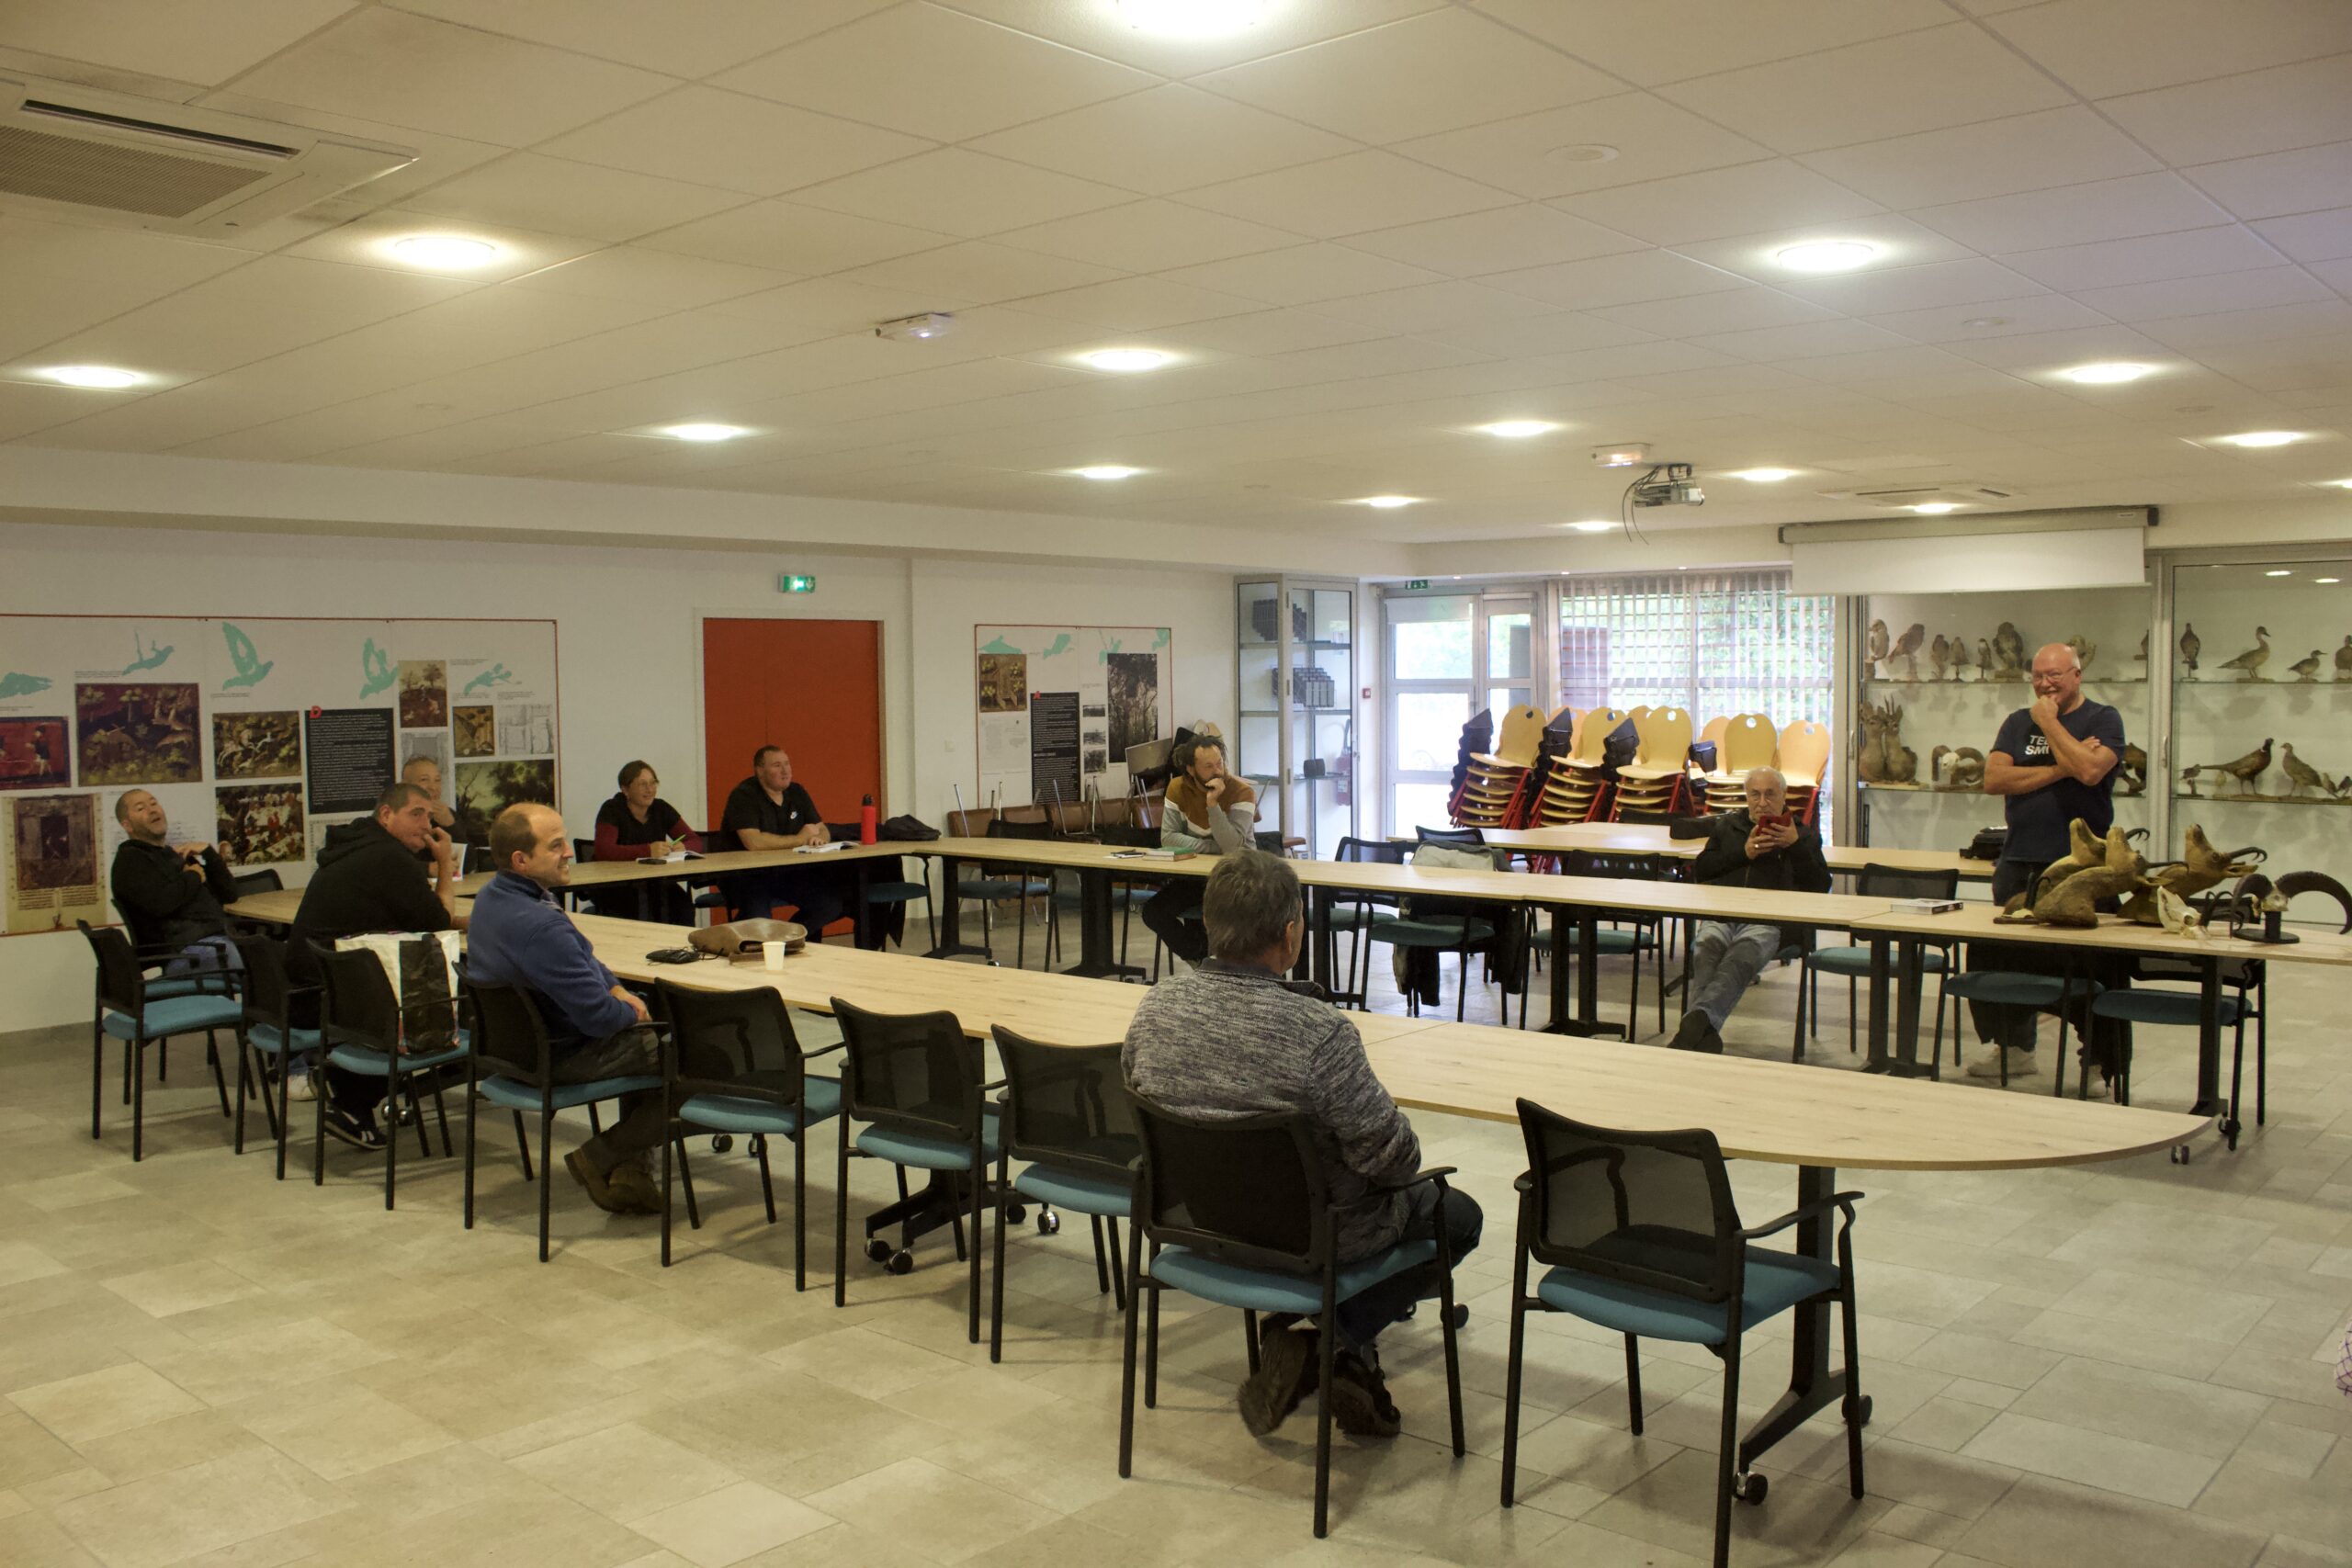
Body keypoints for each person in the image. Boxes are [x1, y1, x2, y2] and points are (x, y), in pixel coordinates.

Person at [1124, 851, 1481, 1439]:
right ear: (1291, 936)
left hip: (1199, 1225)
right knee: (1459, 1214)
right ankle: (1328, 1344)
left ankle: (1342, 1355)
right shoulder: (1320, 1034)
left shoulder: (1154, 1010)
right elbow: (1392, 1160)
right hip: (1313, 1236)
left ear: (1210, 926)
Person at [466, 803, 666, 1217]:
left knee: (649, 1046)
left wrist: (614, 987)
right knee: (695, 1062)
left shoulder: (491, 898)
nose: (569, 853)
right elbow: (600, 1019)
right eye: (556, 845)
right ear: (522, 860)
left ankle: (633, 1175)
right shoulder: (541, 926)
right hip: (559, 1056)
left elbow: (587, 957)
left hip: (510, 1053)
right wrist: (634, 1009)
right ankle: (602, 1154)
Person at [1972, 641, 2126, 1082]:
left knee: (2088, 967)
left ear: (2077, 675)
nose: (2045, 683)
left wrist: (2049, 725)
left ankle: (2098, 1063)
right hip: (2019, 859)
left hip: (2082, 866)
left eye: (2055, 675)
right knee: (2006, 961)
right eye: (2038, 676)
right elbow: (1995, 779)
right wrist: (2064, 767)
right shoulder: (2016, 723)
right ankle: (2015, 1047)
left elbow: (2093, 772)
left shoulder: (2103, 719)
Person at [285, 782, 460, 1147]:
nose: (427, 826)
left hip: (305, 985)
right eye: (416, 814)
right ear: (385, 814)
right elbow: (439, 921)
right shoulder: (388, 858)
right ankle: (352, 1103)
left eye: (429, 816)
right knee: (454, 1002)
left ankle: (342, 1085)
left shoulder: (356, 846)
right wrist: (445, 862)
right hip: (326, 998)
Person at [1668, 766, 1828, 1053]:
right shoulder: (1728, 827)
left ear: (1783, 796)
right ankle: (1702, 1030)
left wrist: (1793, 847)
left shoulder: (1803, 835)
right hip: (1724, 914)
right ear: (1747, 796)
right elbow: (1702, 871)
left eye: (1770, 794)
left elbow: (1820, 885)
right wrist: (1745, 852)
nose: (1762, 802)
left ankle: (1695, 1024)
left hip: (1771, 921)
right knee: (1706, 945)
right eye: (1755, 794)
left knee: (1743, 953)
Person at [1140, 734, 1257, 966]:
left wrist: (1213, 804)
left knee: (1214, 919)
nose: (1218, 771)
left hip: (1237, 878)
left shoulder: (1241, 792)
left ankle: (1211, 964)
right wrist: (1213, 848)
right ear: (1191, 769)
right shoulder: (1177, 788)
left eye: (1220, 763)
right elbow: (1168, 838)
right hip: (1194, 877)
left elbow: (1233, 847)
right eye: (1209, 766)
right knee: (1153, 912)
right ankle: (1198, 959)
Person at [717, 745, 844, 936]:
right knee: (759, 918)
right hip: (747, 876)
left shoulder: (797, 792)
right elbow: (754, 842)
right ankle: (744, 942)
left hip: (786, 873)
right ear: (760, 771)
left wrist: (819, 839)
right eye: (777, 765)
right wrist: (800, 839)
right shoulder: (744, 795)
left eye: (787, 764)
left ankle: (787, 938)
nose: (785, 771)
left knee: (829, 905)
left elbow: (822, 828)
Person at [107, 789, 240, 973]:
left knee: (278, 956)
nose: (152, 810)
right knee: (271, 967)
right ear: (127, 825)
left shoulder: (171, 856)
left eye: (153, 803)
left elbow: (229, 894)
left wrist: (209, 853)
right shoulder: (130, 860)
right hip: (187, 953)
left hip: (216, 943)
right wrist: (193, 876)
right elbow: (161, 903)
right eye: (141, 808)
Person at [594, 761, 701, 922]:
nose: (650, 789)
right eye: (642, 784)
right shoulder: (612, 809)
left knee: (682, 906)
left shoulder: (661, 808)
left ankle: (677, 947)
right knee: (641, 910)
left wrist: (684, 846)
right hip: (617, 884)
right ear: (625, 790)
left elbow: (695, 840)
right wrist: (647, 851)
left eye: (653, 783)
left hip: (656, 882)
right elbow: (603, 850)